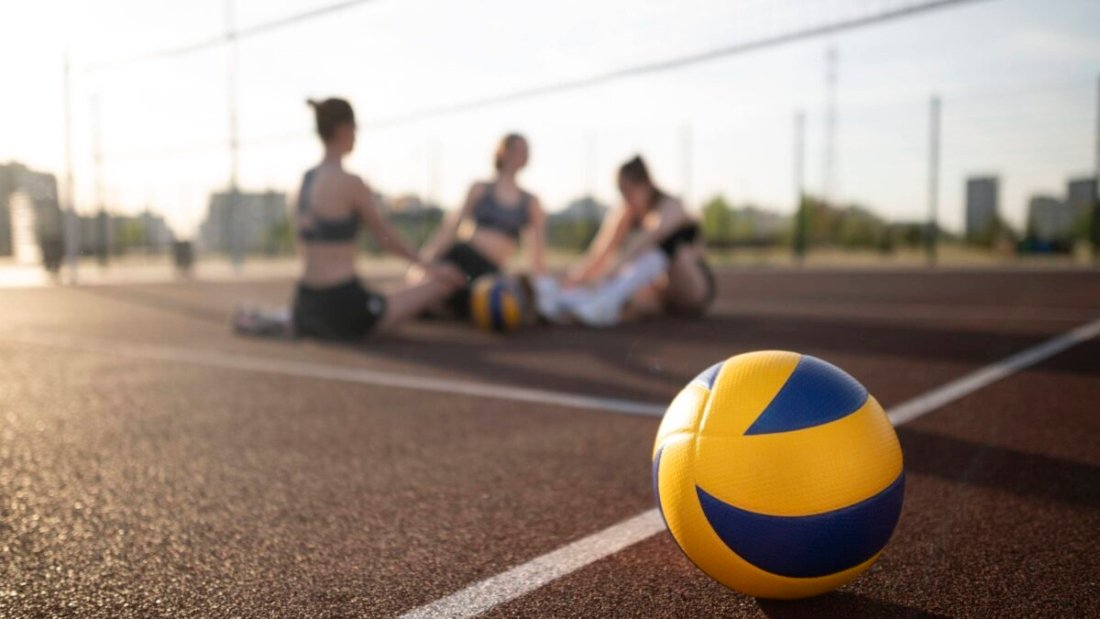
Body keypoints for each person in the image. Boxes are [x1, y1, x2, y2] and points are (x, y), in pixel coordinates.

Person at [234, 97, 462, 339]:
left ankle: (290, 320)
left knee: (388, 295)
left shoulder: (303, 182)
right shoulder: (350, 182)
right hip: (342, 305)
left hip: (305, 299)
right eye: (356, 130)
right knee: (443, 284)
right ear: (345, 130)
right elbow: (386, 238)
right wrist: (431, 267)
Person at [537, 155, 715, 327]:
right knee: (630, 298)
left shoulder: (672, 205)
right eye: (621, 193)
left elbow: (650, 236)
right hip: (661, 292)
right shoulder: (626, 212)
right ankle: (569, 303)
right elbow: (602, 250)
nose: (625, 199)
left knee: (666, 248)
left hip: (692, 288)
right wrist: (578, 278)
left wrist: (613, 271)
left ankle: (605, 302)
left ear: (646, 185)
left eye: (628, 192)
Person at [414, 133, 547, 318]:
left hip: (490, 270)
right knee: (435, 287)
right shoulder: (480, 188)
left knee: (489, 306)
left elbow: (536, 250)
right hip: (462, 257)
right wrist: (424, 263)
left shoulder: (530, 201)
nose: (524, 154)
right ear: (502, 152)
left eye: (526, 150)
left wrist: (542, 289)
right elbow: (452, 226)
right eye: (518, 149)